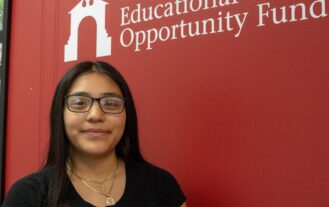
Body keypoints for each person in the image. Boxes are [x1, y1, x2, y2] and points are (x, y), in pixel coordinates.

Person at [2, 61, 186, 207]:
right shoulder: (27, 195)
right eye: (80, 103)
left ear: (126, 114)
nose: (96, 115)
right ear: (60, 115)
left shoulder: (161, 186)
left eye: (111, 103)